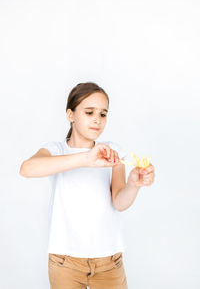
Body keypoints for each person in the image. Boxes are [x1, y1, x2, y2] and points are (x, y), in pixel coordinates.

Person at [19, 82, 155, 289]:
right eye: (89, 112)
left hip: (110, 262)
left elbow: (119, 202)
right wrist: (85, 159)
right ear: (70, 115)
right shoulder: (55, 150)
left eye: (103, 114)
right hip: (65, 262)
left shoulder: (113, 152)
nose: (97, 120)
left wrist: (134, 184)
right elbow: (27, 169)